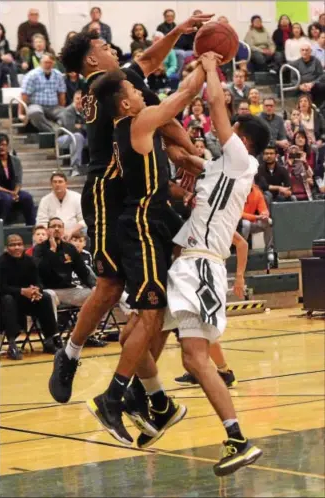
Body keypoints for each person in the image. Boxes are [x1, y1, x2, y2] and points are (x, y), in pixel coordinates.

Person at [48, 17, 212, 408]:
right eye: (104, 47)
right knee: (111, 287)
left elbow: (150, 62)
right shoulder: (109, 89)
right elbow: (168, 116)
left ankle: (147, 387)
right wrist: (187, 151)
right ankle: (70, 354)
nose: (112, 49)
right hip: (109, 193)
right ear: (91, 61)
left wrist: (178, 30)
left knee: (161, 289)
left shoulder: (115, 81)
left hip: (139, 194)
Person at [84, 49, 215, 447]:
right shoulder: (136, 122)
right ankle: (115, 397)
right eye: (136, 91)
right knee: (151, 315)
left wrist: (184, 158)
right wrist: (206, 65)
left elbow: (161, 172)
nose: (143, 94)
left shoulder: (136, 128)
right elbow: (182, 97)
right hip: (140, 225)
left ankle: (152, 398)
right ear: (125, 103)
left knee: (149, 318)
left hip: (153, 219)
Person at [167, 53, 270, 476]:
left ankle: (237, 437)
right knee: (185, 355)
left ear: (241, 140)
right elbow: (182, 152)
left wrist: (210, 67)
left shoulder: (241, 161)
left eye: (230, 133)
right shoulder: (222, 168)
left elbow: (215, 109)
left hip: (203, 265)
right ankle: (152, 401)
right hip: (189, 262)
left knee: (195, 358)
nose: (218, 136)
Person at [174, 231, 248, 387]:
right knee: (191, 327)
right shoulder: (191, 221)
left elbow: (242, 243)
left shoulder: (216, 221)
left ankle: (224, 372)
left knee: (204, 327)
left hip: (209, 278)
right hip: (192, 276)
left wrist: (240, 276)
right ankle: (200, 370)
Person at [0, 234, 61, 360]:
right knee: (8, 300)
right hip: (6, 301)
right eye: (12, 245)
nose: (16, 247)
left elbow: (38, 281)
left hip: (26, 299)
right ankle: (12, 344)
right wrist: (22, 291)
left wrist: (37, 290)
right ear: (7, 248)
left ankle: (50, 339)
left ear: (23, 246)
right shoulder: (2, 262)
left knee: (45, 297)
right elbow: (1, 288)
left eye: (19, 244)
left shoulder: (29, 261)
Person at [33, 217, 95, 307]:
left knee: (96, 295)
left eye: (59, 226)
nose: (57, 228)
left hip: (68, 291)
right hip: (48, 290)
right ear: (47, 230)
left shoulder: (70, 248)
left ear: (63, 230)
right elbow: (40, 270)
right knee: (49, 297)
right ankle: (52, 321)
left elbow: (82, 271)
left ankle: (96, 321)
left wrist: (92, 286)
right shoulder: (39, 249)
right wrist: (52, 250)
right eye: (53, 226)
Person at [20, 53, 66, 132]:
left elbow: (61, 94)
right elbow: (24, 95)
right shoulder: (31, 75)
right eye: (46, 62)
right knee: (34, 113)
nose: (48, 65)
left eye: (50, 63)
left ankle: (57, 131)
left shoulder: (58, 75)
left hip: (53, 107)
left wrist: (62, 107)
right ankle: (55, 131)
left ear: (54, 63)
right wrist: (21, 113)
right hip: (36, 105)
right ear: (40, 63)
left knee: (67, 113)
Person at [0, 133, 36, 225]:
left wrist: (15, 192)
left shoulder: (16, 160)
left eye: (3, 145)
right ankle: (3, 227)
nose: (1, 147)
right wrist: (11, 193)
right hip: (1, 191)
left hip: (13, 191)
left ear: (7, 145)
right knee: (6, 199)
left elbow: (18, 181)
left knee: (27, 197)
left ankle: (31, 227)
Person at [36, 172, 85, 239]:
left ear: (66, 183)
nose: (57, 184)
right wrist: (51, 234)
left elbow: (83, 220)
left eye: (60, 182)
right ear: (51, 184)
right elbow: (41, 222)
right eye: (55, 182)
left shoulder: (77, 197)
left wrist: (70, 231)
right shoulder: (45, 200)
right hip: (51, 235)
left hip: (74, 234)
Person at [240, 183, 274, 261]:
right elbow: (239, 213)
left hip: (252, 221)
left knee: (268, 222)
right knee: (246, 224)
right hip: (237, 225)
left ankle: (269, 250)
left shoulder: (257, 192)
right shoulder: (237, 192)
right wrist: (256, 217)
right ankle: (242, 251)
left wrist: (264, 214)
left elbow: (263, 209)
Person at [58, 90, 87, 175]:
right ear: (73, 100)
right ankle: (75, 168)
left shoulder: (88, 111)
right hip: (63, 137)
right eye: (77, 99)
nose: (79, 101)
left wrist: (80, 126)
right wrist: (84, 127)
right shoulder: (68, 111)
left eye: (82, 99)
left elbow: (91, 127)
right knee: (77, 136)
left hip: (83, 137)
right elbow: (70, 128)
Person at [291, 43, 325, 108]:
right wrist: (300, 86)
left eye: (306, 50)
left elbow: (321, 75)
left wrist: (312, 83)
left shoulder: (316, 61)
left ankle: (321, 110)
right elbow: (293, 79)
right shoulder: (296, 63)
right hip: (303, 87)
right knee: (307, 95)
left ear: (310, 51)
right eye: (303, 50)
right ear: (300, 52)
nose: (305, 52)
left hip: (315, 85)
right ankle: (312, 112)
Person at [0, 23, 19, 87]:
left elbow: (7, 52)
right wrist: (1, 57)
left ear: (2, 31)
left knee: (13, 64)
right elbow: (2, 57)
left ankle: (15, 87)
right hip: (0, 63)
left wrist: (9, 57)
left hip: (4, 63)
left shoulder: (5, 42)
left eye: (0, 29)